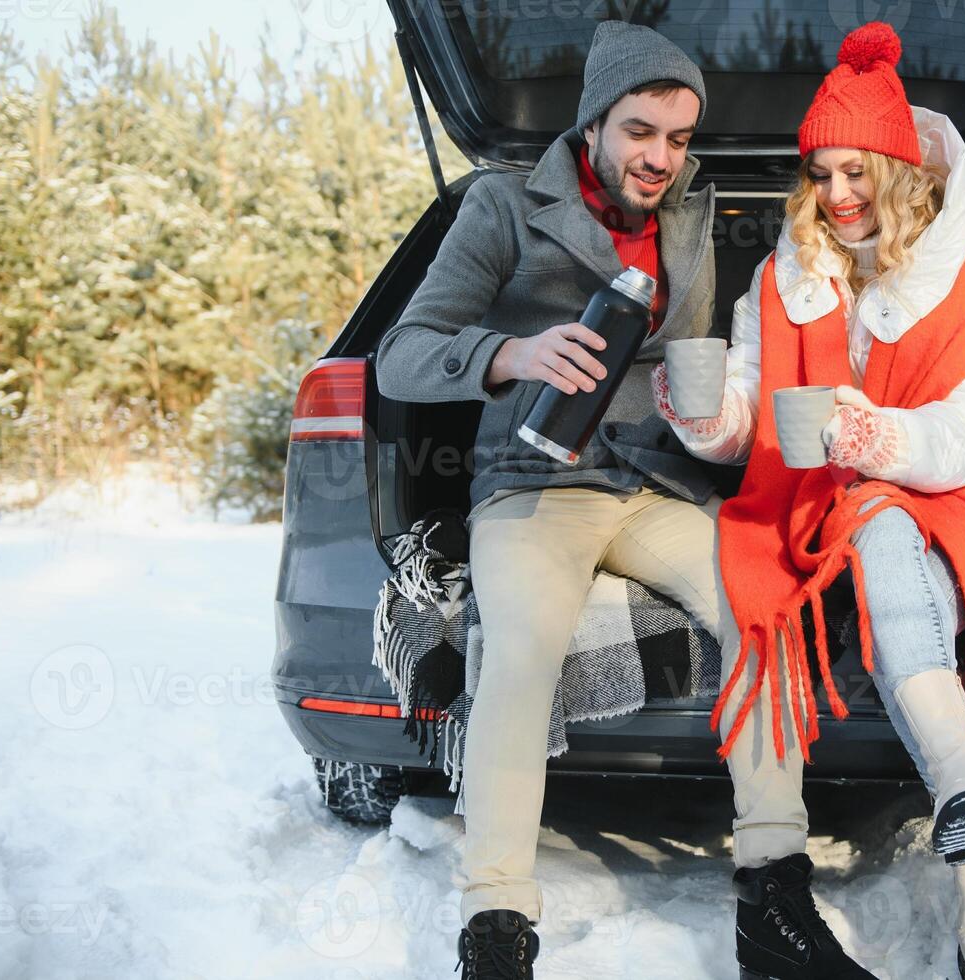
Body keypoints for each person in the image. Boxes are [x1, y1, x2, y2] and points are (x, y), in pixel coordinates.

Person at [653, 22, 965, 980]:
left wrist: (885, 441)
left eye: (856, 172)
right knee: (867, 519)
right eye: (822, 173)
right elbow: (752, 405)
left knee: (882, 519)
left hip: (949, 492)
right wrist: (705, 418)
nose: (835, 196)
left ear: (898, 169)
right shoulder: (784, 273)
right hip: (818, 498)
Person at [375, 21, 730, 979]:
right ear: (594, 124)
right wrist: (509, 354)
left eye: (679, 138)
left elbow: (696, 362)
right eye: (639, 131)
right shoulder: (502, 203)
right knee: (522, 648)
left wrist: (720, 416)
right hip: (533, 483)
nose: (660, 157)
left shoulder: (694, 215)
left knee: (761, 614)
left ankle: (774, 876)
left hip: (655, 482)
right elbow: (401, 358)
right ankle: (496, 915)